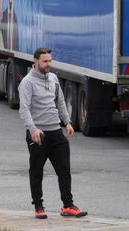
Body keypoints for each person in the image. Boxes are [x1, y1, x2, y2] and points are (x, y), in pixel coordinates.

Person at [18, 48, 87, 219]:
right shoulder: (27, 82)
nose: (48, 64)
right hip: (38, 135)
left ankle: (68, 206)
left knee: (64, 170)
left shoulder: (54, 78)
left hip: (56, 132)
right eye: (44, 61)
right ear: (35, 61)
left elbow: (60, 102)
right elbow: (24, 109)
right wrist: (33, 129)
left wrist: (68, 122)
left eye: (50, 61)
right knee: (37, 171)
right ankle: (39, 206)